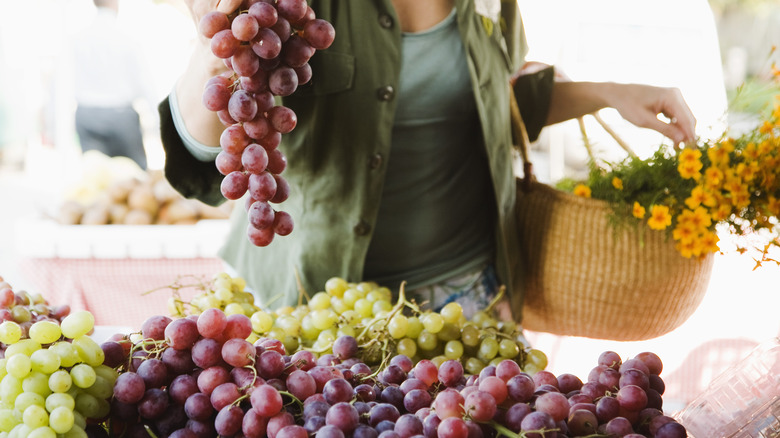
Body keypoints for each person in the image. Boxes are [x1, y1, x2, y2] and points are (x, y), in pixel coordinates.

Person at [159, 0, 697, 318]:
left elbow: (497, 99)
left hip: (468, 297)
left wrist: (609, 92)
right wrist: (221, 39)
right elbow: (204, 149)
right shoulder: (298, 6)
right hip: (312, 307)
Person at [71, 0, 154, 169]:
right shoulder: (126, 37)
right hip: (120, 115)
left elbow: (64, 80)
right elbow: (145, 82)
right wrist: (159, 118)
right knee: (134, 177)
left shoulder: (78, 37)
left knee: (96, 178)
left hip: (87, 113)